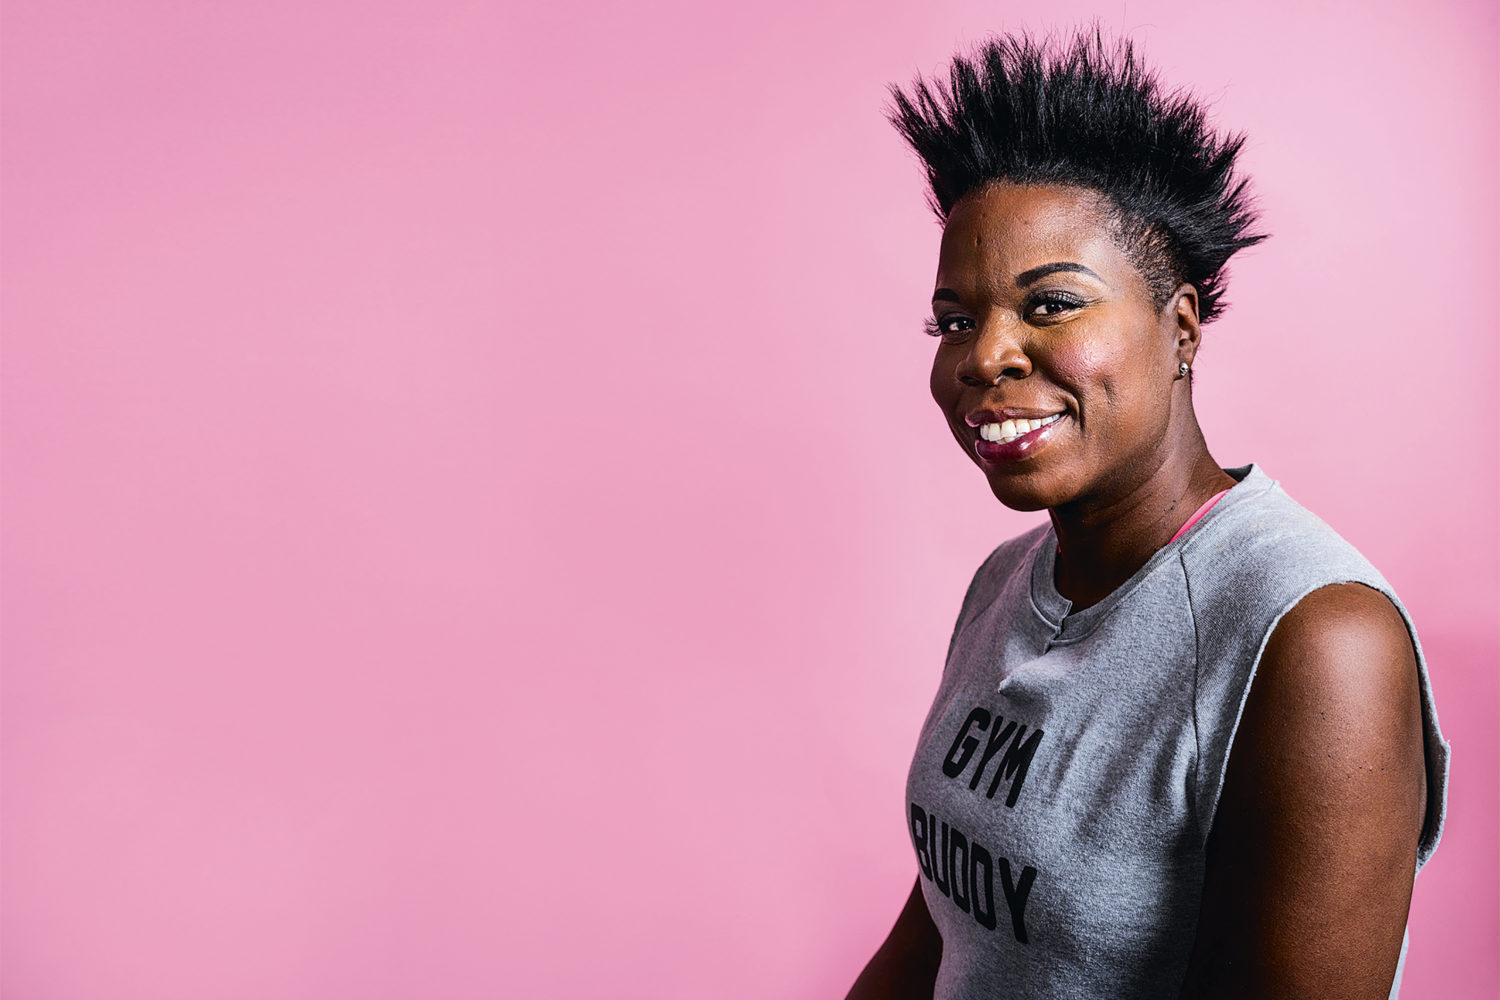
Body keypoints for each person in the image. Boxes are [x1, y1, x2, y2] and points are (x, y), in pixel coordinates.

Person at [847, 28, 1450, 1000]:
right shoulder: (1006, 581)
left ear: (1179, 328)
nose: (984, 355)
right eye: (955, 319)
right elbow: (946, 917)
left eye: (1050, 305)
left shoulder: (1314, 638)